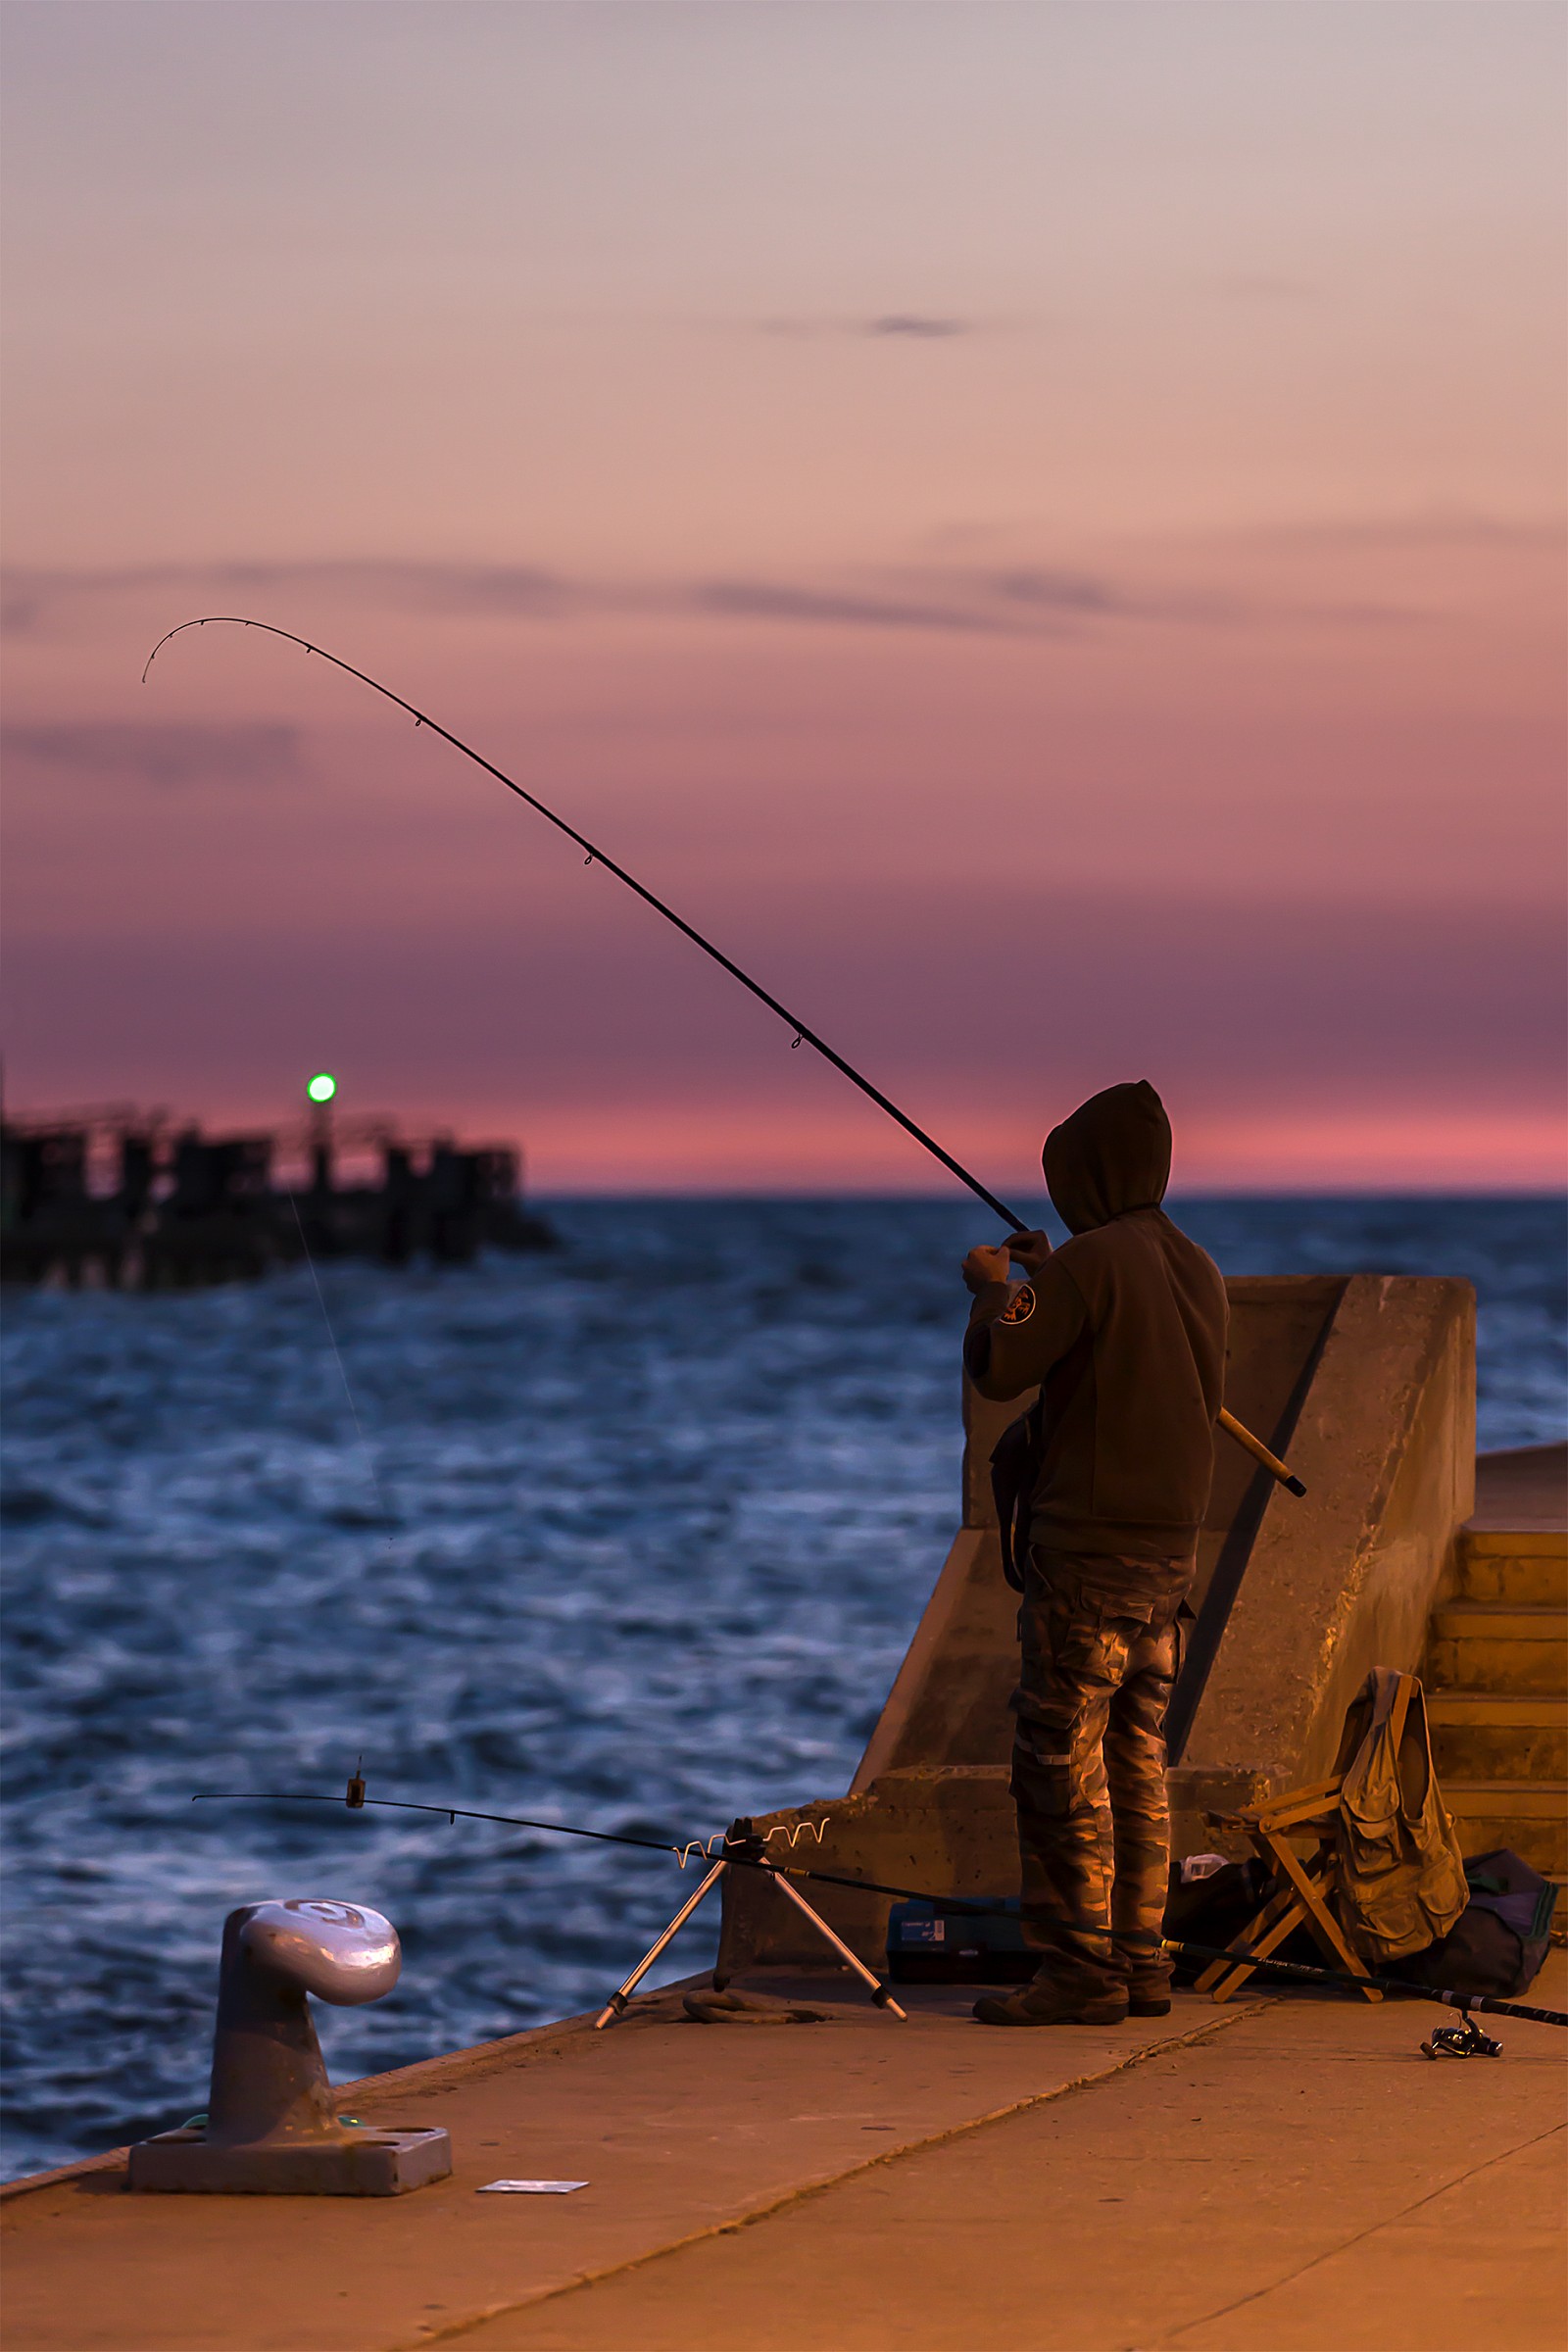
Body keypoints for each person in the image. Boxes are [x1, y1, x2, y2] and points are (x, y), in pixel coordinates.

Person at [961, 1080, 1227, 2027]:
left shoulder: (1088, 1265)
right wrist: (1055, 1275)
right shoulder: (1194, 1265)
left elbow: (1001, 1366)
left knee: (1055, 1765)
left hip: (1086, 1565)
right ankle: (1142, 1963)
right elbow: (1108, 1328)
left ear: (1088, 1175)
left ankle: (1077, 1972)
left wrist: (994, 1293)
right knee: (1137, 1765)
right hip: (1167, 1571)